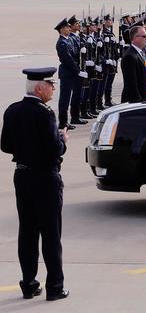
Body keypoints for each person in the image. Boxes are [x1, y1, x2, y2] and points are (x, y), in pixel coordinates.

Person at [1, 67, 69, 301]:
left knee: (27, 233)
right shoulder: (45, 114)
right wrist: (62, 140)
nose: (53, 88)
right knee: (51, 234)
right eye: (51, 85)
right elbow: (54, 149)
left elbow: (6, 146)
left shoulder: (12, 110)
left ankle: (29, 284)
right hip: (45, 179)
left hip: (22, 176)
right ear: (39, 88)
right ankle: (55, 287)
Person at [55, 18, 86, 130]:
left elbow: (76, 54)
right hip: (67, 72)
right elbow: (68, 59)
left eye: (69, 27)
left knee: (75, 95)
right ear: (62, 30)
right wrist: (78, 71)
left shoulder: (69, 40)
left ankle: (74, 117)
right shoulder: (62, 43)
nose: (69, 29)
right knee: (65, 98)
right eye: (67, 27)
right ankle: (63, 122)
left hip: (72, 72)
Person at [120, 25, 146, 103]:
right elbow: (131, 84)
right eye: (144, 36)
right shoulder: (130, 56)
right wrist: (138, 103)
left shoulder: (140, 53)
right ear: (135, 38)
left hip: (143, 98)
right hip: (134, 101)